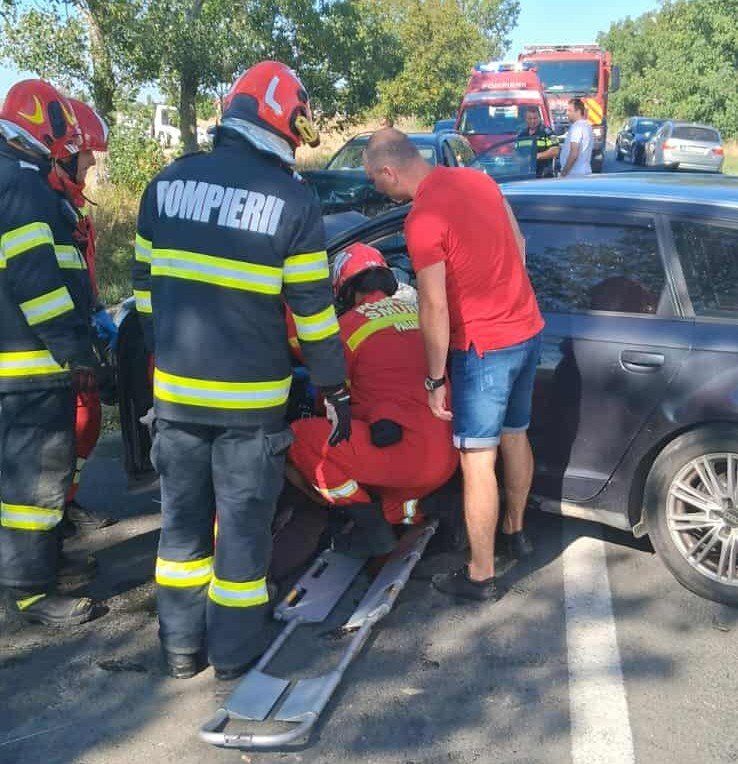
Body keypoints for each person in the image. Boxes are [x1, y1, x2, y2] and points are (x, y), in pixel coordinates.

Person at [132, 60, 350, 680]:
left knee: (181, 530)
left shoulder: (165, 185)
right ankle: (231, 653)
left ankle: (180, 650)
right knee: (242, 533)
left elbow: (144, 292)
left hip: (175, 399)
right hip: (250, 410)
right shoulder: (293, 202)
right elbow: (313, 314)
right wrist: (334, 388)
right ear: (285, 123)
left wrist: (166, 358)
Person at [363, 129, 544, 602]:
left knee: (477, 460)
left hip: (483, 349)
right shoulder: (479, 180)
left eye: (374, 179)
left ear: (389, 171)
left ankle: (481, 576)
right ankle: (516, 532)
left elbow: (433, 306)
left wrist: (434, 378)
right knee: (516, 435)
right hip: (527, 330)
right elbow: (519, 244)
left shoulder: (423, 218)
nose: (375, 188)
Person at [0, 79, 102, 626]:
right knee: (34, 482)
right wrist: (74, 349)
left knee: (28, 476)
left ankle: (40, 567)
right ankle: (30, 592)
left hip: (22, 362)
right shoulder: (22, 185)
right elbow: (36, 281)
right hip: (31, 366)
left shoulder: (15, 179)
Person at [288, 243, 459, 556]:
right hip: (448, 456)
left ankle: (368, 524)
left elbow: (329, 400)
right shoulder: (418, 315)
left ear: (344, 290)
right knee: (387, 460)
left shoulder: (347, 328)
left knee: (302, 437)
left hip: (405, 458)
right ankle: (414, 508)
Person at [47, 98, 117, 535]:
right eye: (87, 154)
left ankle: (64, 505)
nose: (91, 163)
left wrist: (95, 310)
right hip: (51, 342)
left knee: (85, 420)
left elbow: (77, 270)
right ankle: (50, 523)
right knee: (65, 428)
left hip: (76, 326)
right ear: (64, 153)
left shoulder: (67, 204)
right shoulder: (42, 207)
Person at [515, 108, 559, 178]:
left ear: (539, 118)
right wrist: (520, 160)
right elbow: (516, 153)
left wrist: (535, 157)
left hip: (544, 176)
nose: (533, 121)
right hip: (525, 175)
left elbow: (555, 151)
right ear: (526, 119)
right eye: (530, 118)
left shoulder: (549, 132)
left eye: (535, 118)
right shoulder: (521, 135)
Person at [558, 98, 593, 177]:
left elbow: (574, 154)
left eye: (569, 110)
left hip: (574, 174)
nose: (567, 113)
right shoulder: (587, 126)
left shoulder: (577, 127)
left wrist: (563, 174)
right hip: (584, 171)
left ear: (578, 111)